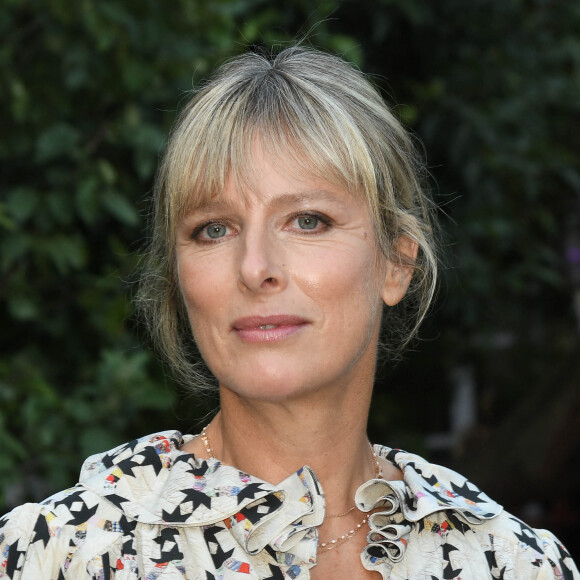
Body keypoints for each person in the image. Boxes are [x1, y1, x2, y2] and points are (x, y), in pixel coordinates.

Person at [1, 46, 577, 580]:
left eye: (308, 221)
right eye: (214, 229)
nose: (255, 267)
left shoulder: (512, 563)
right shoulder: (61, 555)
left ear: (396, 264)